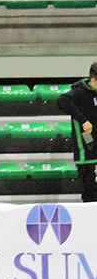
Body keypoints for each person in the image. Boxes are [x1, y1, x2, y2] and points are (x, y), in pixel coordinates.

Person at [56, 62, 97, 202]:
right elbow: (61, 100)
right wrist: (83, 120)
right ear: (93, 80)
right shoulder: (79, 92)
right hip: (86, 147)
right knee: (90, 187)